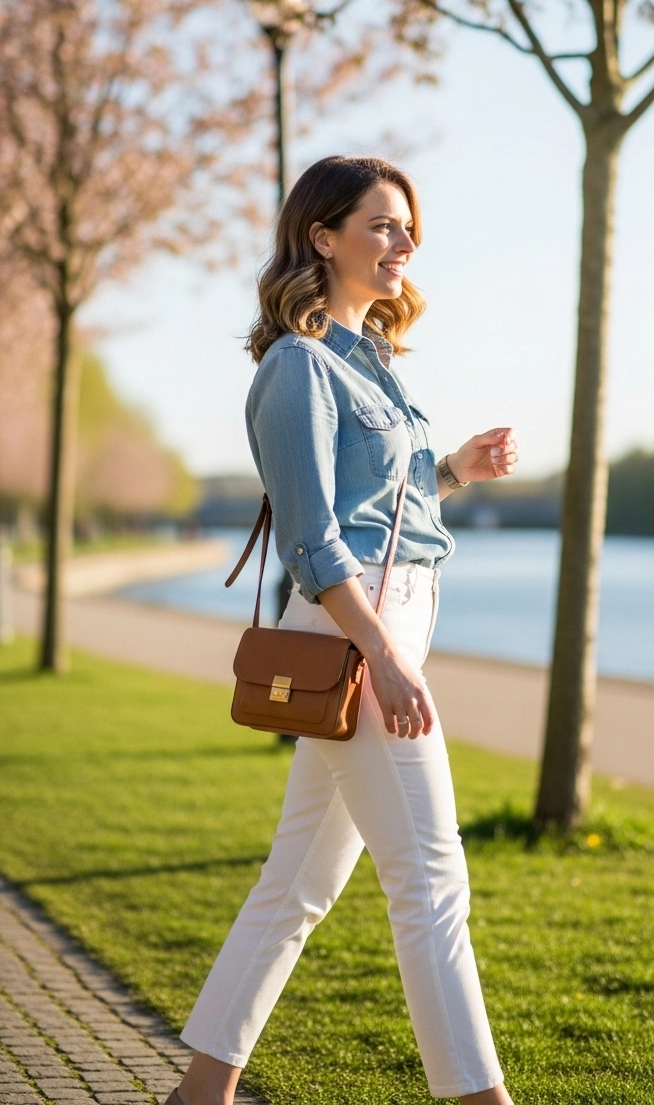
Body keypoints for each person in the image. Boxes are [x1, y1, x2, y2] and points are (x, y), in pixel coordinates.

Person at [167, 156, 518, 1105]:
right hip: (355, 626)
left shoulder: (371, 361)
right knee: (433, 884)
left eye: (408, 228)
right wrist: (385, 659)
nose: (404, 244)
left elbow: (377, 504)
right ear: (323, 238)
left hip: (383, 617)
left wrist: (452, 470)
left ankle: (200, 1092)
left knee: (296, 890)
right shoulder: (296, 366)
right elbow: (316, 540)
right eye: (381, 226)